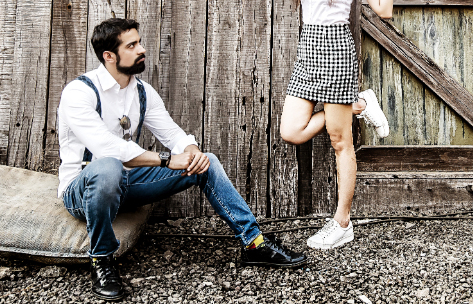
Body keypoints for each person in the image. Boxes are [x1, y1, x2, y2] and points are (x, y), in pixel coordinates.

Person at [58, 18, 306, 301]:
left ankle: (254, 243)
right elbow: (106, 148)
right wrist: (167, 160)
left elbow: (172, 134)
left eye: (140, 42)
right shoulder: (79, 92)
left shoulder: (142, 92)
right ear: (109, 56)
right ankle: (101, 259)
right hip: (82, 190)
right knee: (108, 167)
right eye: (132, 45)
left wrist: (191, 152)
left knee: (206, 161)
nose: (142, 49)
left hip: (126, 183)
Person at [271, 0, 395, 250]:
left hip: (336, 50)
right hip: (308, 49)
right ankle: (358, 105)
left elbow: (384, 9)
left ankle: (342, 223)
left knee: (341, 143)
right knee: (291, 131)